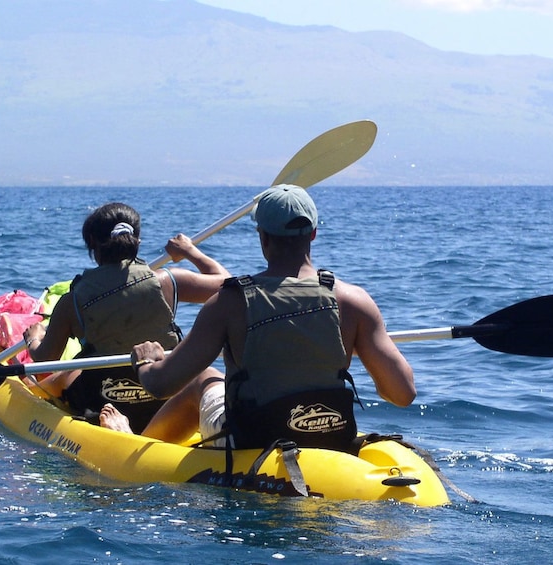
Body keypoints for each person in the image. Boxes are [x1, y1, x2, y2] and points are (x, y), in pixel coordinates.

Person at [101, 185, 415, 455]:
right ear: (314, 234)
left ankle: (134, 445)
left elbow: (161, 384)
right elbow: (401, 394)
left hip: (251, 439)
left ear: (262, 236)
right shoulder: (354, 300)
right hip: (331, 434)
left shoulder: (229, 303)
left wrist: (147, 362)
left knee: (204, 379)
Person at [22, 202, 230, 433]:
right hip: (166, 399)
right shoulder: (168, 281)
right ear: (137, 241)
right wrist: (190, 251)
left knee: (67, 373)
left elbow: (44, 360)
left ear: (91, 243)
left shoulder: (71, 302)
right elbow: (228, 284)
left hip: (104, 403)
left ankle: (31, 395)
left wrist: (34, 339)